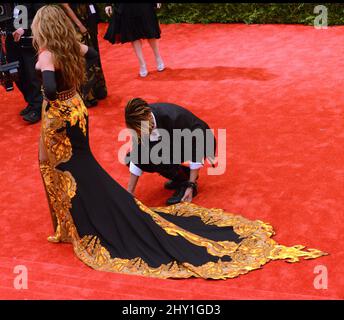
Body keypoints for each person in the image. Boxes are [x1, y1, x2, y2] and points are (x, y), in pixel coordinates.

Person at [33, 5, 325, 279]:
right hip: (76, 109)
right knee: (107, 161)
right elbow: (92, 55)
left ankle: (173, 180)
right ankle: (93, 212)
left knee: (71, 167)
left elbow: (47, 87)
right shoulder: (70, 48)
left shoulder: (48, 54)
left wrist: (191, 184)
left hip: (68, 118)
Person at [124, 98, 216, 205]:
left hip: (201, 141)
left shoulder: (173, 118)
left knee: (157, 155)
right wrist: (129, 192)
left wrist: (191, 185)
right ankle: (181, 174)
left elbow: (198, 146)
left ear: (148, 117)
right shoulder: (142, 121)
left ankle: (184, 182)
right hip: (172, 142)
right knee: (133, 157)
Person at [61, 3, 107, 107]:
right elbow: (65, 6)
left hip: (88, 18)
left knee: (94, 54)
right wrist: (79, 24)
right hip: (76, 25)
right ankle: (87, 95)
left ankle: (98, 88)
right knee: (83, 58)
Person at [5, 2, 45, 123]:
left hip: (29, 42)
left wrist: (24, 27)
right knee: (17, 74)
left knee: (32, 75)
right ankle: (32, 101)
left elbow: (42, 15)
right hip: (11, 42)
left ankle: (38, 107)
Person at [104, 3, 164, 77]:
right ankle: (142, 64)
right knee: (133, 35)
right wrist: (108, 4)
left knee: (150, 31)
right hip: (126, 7)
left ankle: (158, 57)